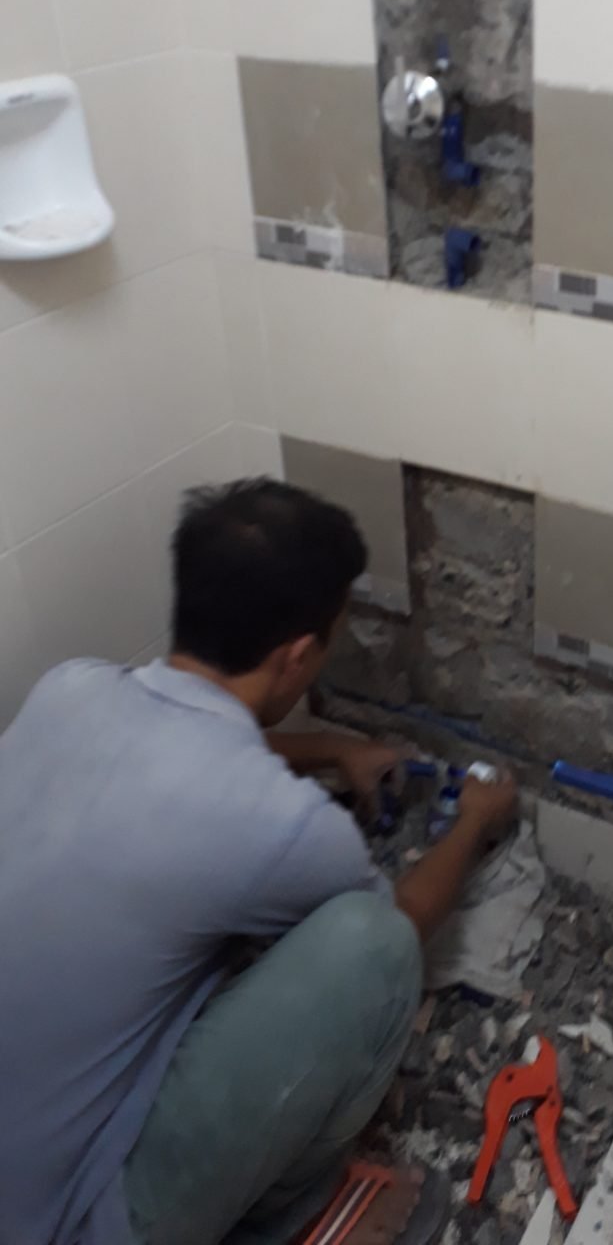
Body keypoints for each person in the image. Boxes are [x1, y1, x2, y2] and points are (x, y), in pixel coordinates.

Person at [0, 478, 518, 1245]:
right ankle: (285, 1217)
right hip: (67, 1225)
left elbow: (186, 742)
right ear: (298, 655)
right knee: (369, 948)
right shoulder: (284, 825)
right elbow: (399, 927)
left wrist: (332, 748)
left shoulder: (69, 689)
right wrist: (474, 822)